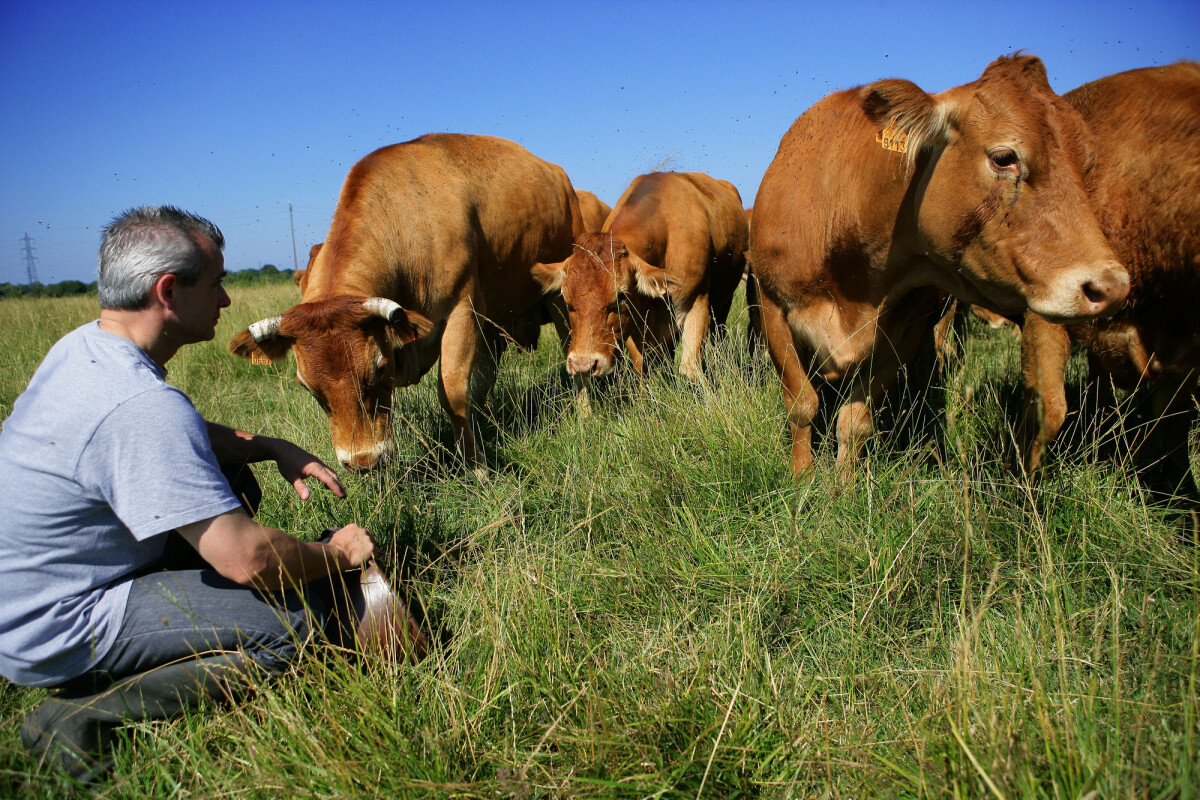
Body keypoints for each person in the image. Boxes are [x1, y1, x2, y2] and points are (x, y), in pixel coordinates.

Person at [0, 205, 380, 784]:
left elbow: (178, 441)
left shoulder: (84, 349)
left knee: (232, 474)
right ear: (168, 291)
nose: (227, 301)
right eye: (218, 283)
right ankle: (78, 716)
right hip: (60, 625)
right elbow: (248, 559)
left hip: (27, 596)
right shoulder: (141, 403)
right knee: (298, 623)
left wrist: (269, 446)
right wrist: (337, 555)